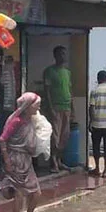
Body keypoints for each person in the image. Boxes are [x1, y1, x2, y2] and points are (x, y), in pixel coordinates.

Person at [0, 92, 43, 212]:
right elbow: (2, 140)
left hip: (26, 160)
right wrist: (7, 160)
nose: (38, 109)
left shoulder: (31, 120)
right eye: (36, 106)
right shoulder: (16, 121)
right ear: (27, 106)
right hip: (16, 159)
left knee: (36, 193)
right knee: (19, 193)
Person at [43, 45, 72, 173]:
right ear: (55, 56)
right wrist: (50, 108)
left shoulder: (67, 72)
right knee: (55, 136)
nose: (63, 57)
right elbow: (47, 91)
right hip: (55, 107)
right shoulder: (49, 71)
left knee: (64, 136)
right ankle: (53, 162)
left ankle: (60, 161)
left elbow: (70, 91)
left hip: (66, 107)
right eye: (60, 54)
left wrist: (72, 109)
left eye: (64, 54)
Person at [88, 70, 106, 178]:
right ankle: (105, 170)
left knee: (96, 147)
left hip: (97, 124)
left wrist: (91, 121)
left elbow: (91, 108)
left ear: (98, 79)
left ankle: (97, 168)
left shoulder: (94, 92)